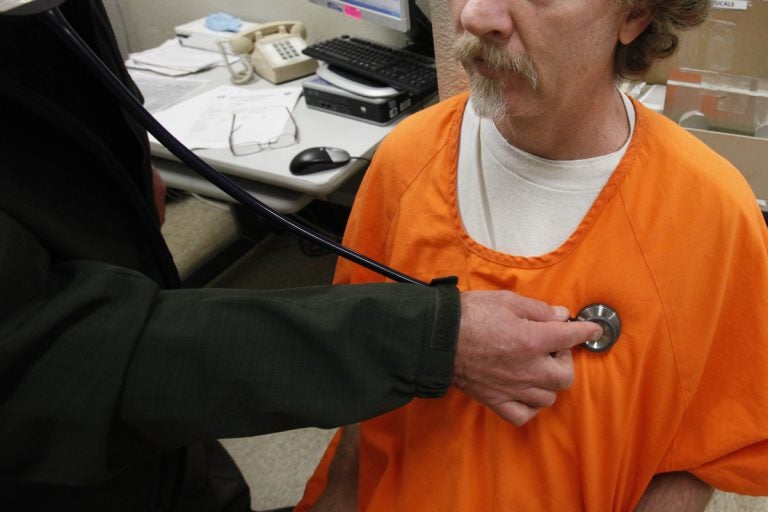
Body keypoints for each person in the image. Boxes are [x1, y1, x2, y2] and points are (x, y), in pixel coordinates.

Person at [0, 1, 604, 510]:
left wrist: (122, 159)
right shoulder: (409, 156)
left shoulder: (695, 198)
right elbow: (52, 360)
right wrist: (426, 344)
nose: (473, 14)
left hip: (162, 459)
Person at [295, 0, 768, 510]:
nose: (476, 16)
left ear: (634, 16)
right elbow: (363, 368)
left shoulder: (709, 209)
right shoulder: (405, 160)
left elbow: (713, 440)